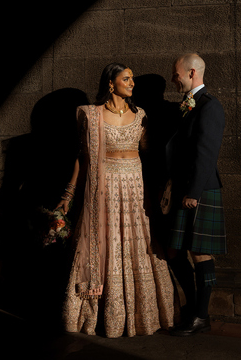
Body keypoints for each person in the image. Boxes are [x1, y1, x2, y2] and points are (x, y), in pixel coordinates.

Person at [58, 63, 177, 337]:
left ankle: (143, 316)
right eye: (126, 78)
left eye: (132, 79)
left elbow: (148, 155)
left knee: (141, 247)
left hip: (135, 189)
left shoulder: (141, 115)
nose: (132, 83)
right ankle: (96, 317)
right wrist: (68, 194)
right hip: (105, 190)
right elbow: (83, 159)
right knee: (106, 243)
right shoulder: (91, 115)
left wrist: (156, 190)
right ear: (110, 83)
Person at [163, 53, 226, 336]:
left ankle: (201, 315)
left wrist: (193, 193)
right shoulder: (189, 105)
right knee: (174, 251)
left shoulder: (209, 106)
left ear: (191, 73)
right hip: (184, 187)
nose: (173, 79)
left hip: (198, 190)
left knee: (200, 253)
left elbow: (206, 153)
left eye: (176, 74)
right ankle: (193, 307)